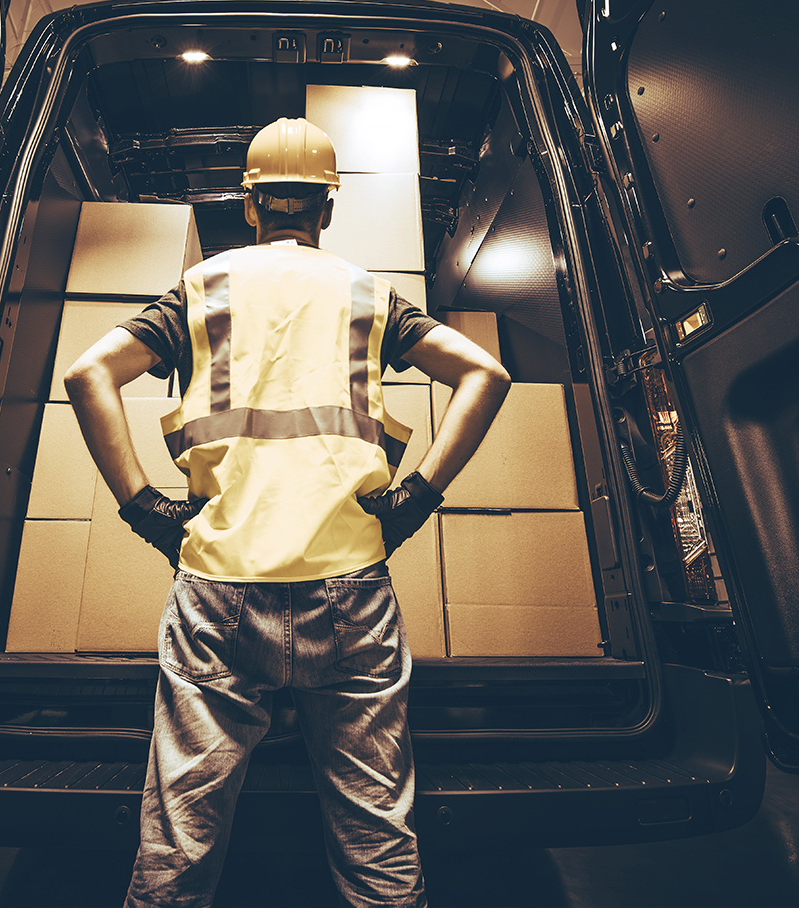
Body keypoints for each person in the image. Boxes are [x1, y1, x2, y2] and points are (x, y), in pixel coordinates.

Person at [65, 117, 510, 908]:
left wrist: (146, 510)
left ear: (249, 203)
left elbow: (89, 374)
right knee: (377, 828)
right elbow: (486, 374)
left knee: (180, 833)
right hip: (350, 584)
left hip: (216, 586)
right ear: (327, 210)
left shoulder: (204, 290)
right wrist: (416, 499)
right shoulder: (367, 293)